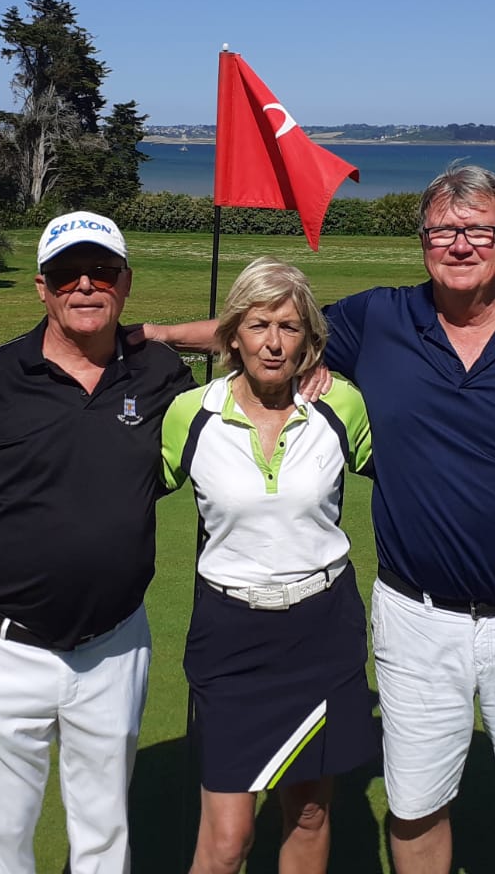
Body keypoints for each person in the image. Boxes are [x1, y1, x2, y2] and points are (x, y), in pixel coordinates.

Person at [148, 165, 495, 874]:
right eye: (443, 230)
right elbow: (269, 327)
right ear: (422, 241)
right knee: (416, 808)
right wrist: (149, 333)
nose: (461, 244)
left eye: (478, 229)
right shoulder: (378, 320)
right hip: (415, 619)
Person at [0, 210, 195, 874]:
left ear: (125, 282)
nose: (85, 286)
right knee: (2, 841)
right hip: (1, 653)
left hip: (114, 647)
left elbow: (257, 333)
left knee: (104, 837)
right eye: (67, 274)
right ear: (42, 287)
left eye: (101, 271)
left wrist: (162, 332)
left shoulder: (158, 373)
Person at [160, 258, 379, 874]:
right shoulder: (191, 413)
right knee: (228, 838)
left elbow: (403, 480)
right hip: (230, 635)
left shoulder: (340, 406)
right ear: (233, 335)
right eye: (258, 326)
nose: (274, 343)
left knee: (308, 813)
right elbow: (128, 495)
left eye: (290, 327)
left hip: (322, 630)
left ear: (310, 339)